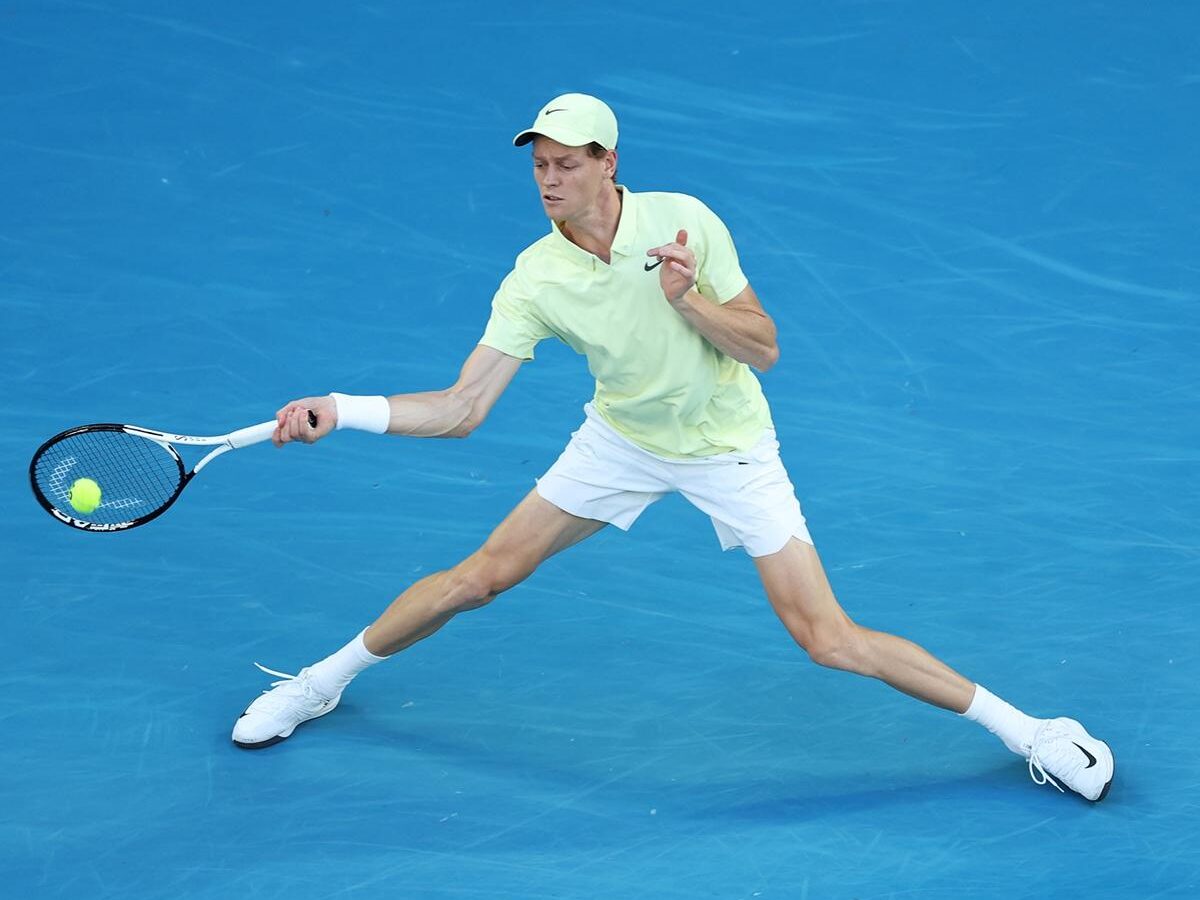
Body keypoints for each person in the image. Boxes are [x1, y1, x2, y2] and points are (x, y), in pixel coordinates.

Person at [232, 93, 1114, 802]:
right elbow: (463, 407)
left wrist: (688, 299)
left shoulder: (683, 222)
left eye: (566, 164)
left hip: (728, 446)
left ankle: (1029, 731)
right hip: (620, 439)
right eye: (539, 165)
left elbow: (764, 347)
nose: (548, 180)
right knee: (482, 577)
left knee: (828, 639)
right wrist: (341, 409)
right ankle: (320, 683)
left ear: (608, 165)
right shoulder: (535, 275)